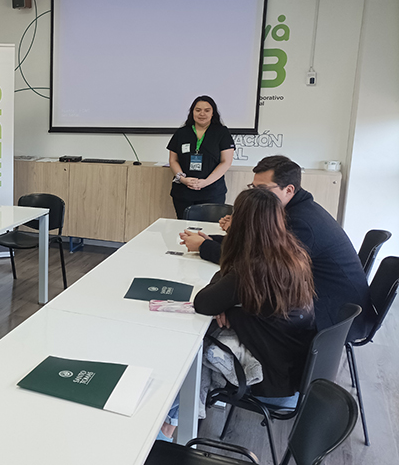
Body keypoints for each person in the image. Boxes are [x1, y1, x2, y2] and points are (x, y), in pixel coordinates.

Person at [160, 187, 316, 441]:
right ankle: (175, 422)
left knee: (194, 344)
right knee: (208, 335)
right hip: (292, 371)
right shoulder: (292, 253)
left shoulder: (253, 268)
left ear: (242, 224)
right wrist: (229, 305)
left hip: (269, 379)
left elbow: (203, 302)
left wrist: (226, 304)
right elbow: (223, 288)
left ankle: (169, 428)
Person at [179, 155, 374, 341]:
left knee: (218, 320)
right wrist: (211, 240)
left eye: (263, 189)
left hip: (330, 316)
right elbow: (254, 254)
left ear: (289, 190)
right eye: (253, 188)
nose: (256, 195)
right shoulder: (297, 209)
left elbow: (256, 265)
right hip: (314, 305)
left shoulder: (299, 223)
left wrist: (206, 249)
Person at [167, 96, 235, 219]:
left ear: (213, 112)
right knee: (184, 229)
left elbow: (226, 162)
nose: (202, 114)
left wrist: (205, 183)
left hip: (212, 192)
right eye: (198, 110)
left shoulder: (222, 132)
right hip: (183, 192)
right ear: (192, 112)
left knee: (209, 231)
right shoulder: (181, 133)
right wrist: (182, 179)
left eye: (207, 110)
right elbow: (173, 160)